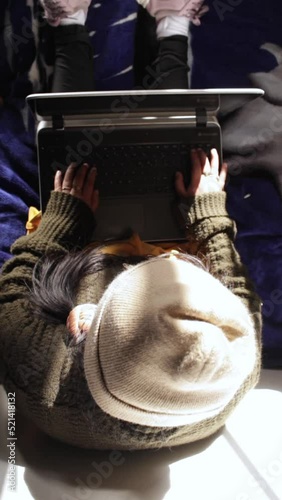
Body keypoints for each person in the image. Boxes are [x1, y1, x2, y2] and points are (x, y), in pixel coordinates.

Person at [0, 0, 261, 450]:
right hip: (155, 259)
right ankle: (171, 23)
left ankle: (70, 24)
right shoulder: (232, 371)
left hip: (84, 256)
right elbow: (236, 288)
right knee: (183, 137)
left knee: (72, 145)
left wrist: (63, 217)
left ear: (85, 325)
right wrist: (208, 210)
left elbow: (15, 284)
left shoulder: (41, 380)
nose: (175, 258)